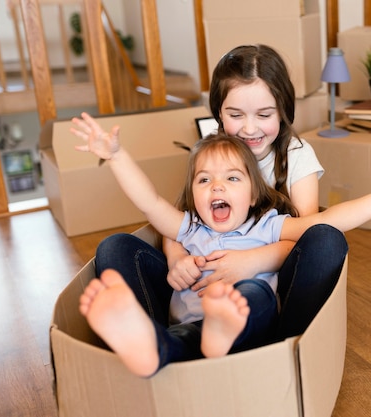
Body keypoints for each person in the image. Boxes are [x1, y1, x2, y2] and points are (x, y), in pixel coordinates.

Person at [71, 114, 371, 377]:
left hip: (254, 328)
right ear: (193, 194)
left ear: (254, 194)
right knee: (115, 247)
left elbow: (322, 225)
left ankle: (222, 331)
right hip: (190, 329)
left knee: (255, 292)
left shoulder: (268, 225)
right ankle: (151, 346)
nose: (217, 187)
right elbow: (148, 202)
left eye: (232, 178)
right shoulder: (189, 227)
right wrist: (116, 156)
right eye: (205, 179)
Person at [94, 44, 347, 342]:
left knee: (326, 240)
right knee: (115, 248)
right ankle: (156, 341)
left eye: (264, 114)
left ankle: (286, 345)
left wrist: (250, 261)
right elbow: (176, 221)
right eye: (235, 115)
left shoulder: (296, 154)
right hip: (199, 284)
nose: (250, 128)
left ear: (282, 111)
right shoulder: (214, 151)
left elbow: (305, 238)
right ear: (219, 113)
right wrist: (177, 261)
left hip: (264, 284)